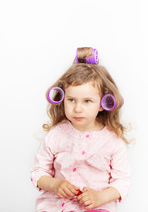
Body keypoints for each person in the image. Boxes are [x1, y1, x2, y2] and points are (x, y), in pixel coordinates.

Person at [31, 47, 131, 212]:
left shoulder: (113, 141)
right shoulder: (56, 134)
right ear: (63, 99)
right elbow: (38, 171)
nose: (77, 108)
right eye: (71, 100)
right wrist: (55, 184)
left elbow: (122, 181)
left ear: (103, 103)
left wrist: (100, 197)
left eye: (87, 101)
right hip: (57, 207)